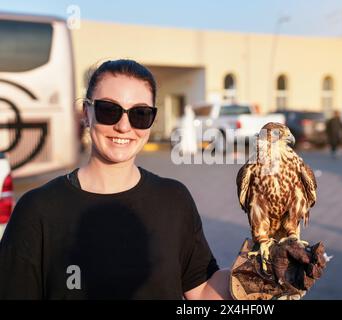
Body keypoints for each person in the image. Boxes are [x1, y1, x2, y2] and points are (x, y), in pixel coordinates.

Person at [0, 59, 231, 300]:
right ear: (87, 114)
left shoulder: (174, 199)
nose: (123, 126)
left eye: (140, 114)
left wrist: (258, 265)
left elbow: (202, 292)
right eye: (109, 110)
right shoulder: (38, 209)